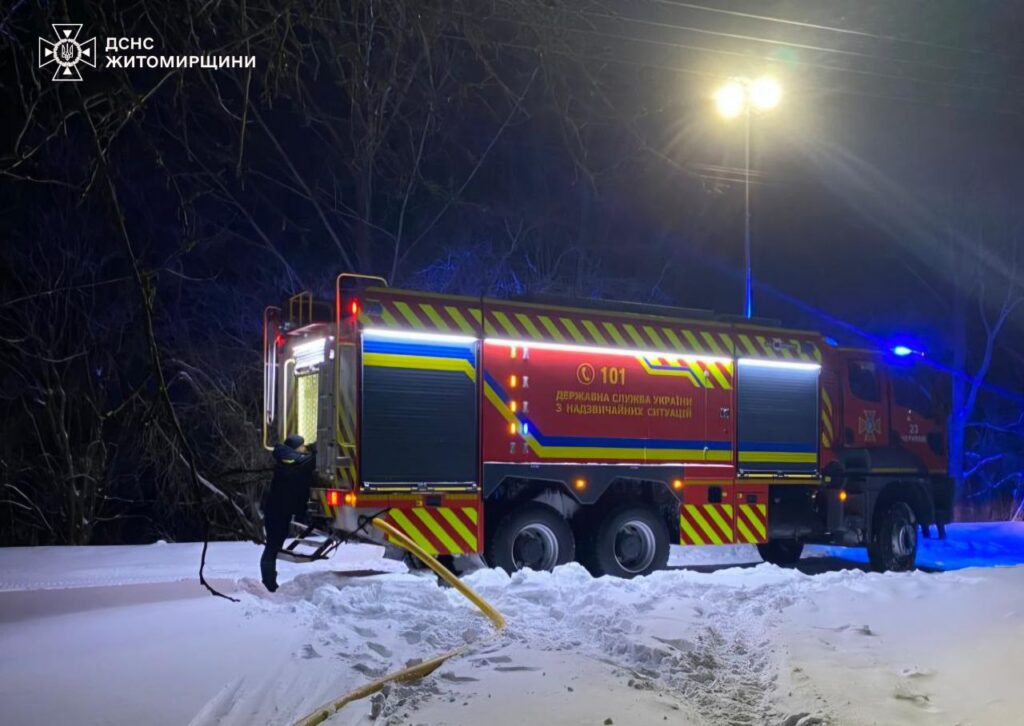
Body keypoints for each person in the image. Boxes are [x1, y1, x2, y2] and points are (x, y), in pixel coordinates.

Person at [260, 434, 317, 592]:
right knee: (273, 546)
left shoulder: (287, 458)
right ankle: (268, 583)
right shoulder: (289, 461)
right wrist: (316, 452)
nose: (304, 448)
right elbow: (305, 463)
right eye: (302, 446)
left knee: (274, 545)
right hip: (277, 512)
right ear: (296, 447)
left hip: (278, 511)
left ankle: (269, 581)